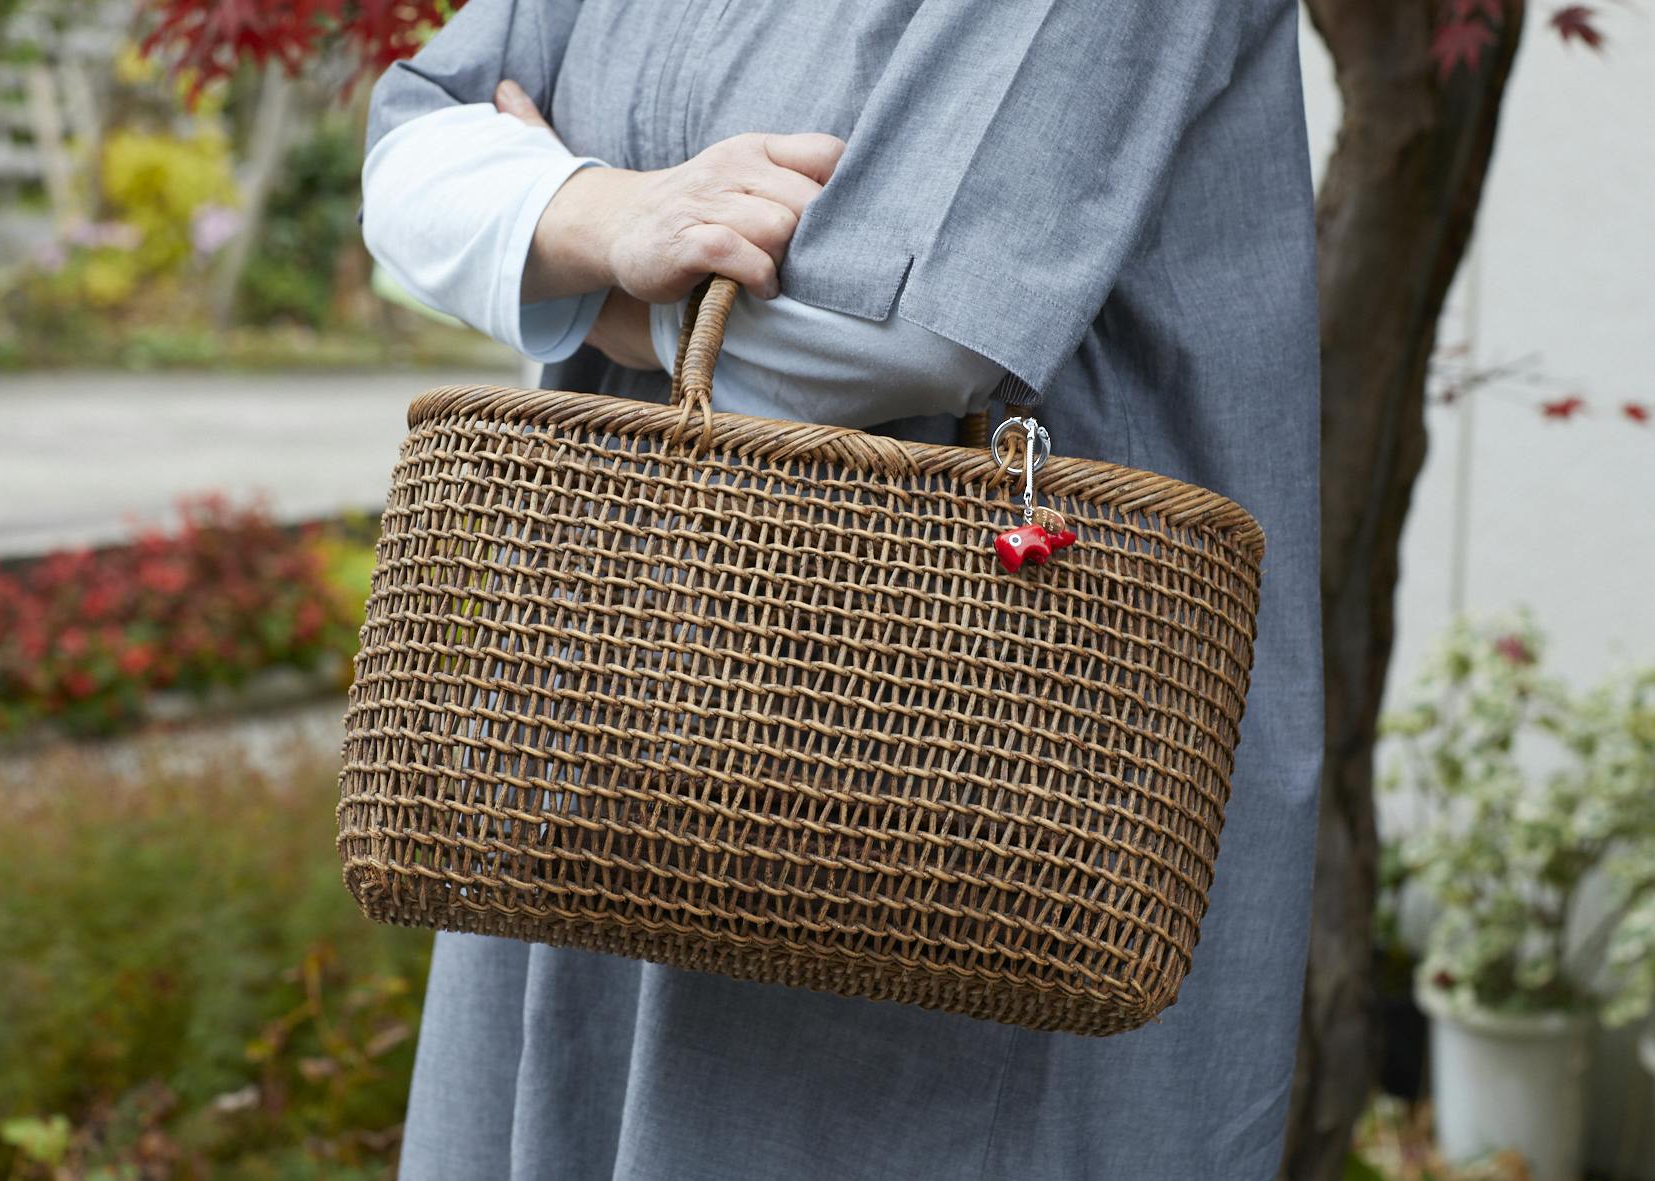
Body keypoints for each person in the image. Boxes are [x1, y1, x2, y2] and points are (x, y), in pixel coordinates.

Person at [359, 2, 1322, 1177]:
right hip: (609, 738)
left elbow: (899, 332)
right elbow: (406, 147)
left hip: (981, 764)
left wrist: (567, 263)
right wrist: (620, 215)